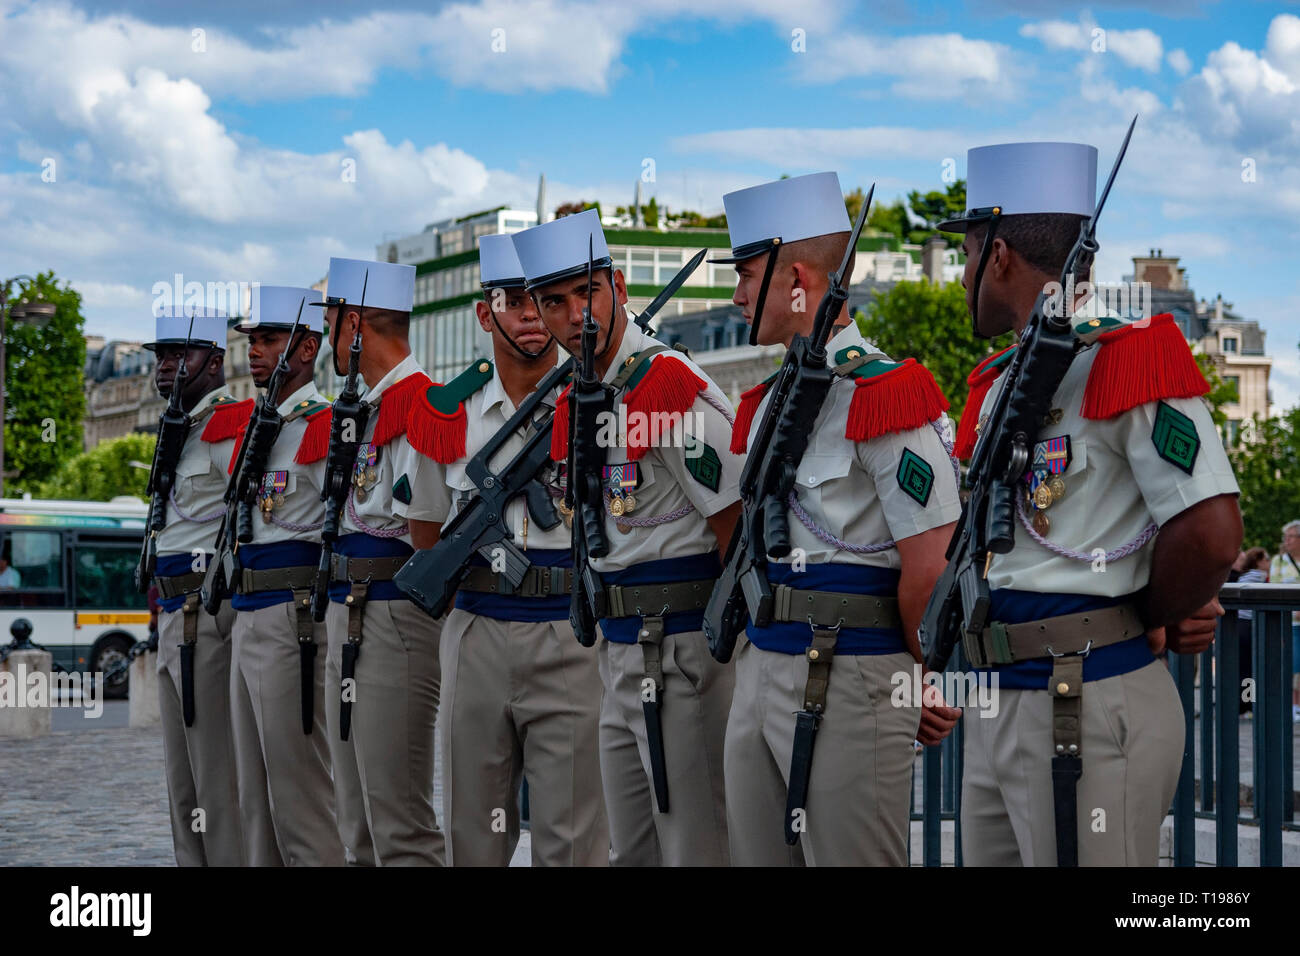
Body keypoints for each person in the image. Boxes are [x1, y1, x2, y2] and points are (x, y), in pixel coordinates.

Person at [942, 140, 1242, 866]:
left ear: (1001, 253)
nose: (961, 274)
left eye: (968, 250)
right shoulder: (999, 380)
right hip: (998, 694)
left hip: (1085, 696)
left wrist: (1146, 611)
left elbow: (1209, 532)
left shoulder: (1127, 355)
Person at [714, 171, 962, 865]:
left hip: (853, 673)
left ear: (795, 277)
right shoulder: (765, 403)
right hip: (763, 663)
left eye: (746, 273)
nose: (735, 295)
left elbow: (929, 564)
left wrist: (923, 674)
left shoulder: (885, 393)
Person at [514, 208, 740, 866]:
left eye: (587, 293)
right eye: (553, 302)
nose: (573, 315)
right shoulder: (587, 397)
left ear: (617, 286)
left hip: (683, 650)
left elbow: (736, 526)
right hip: (617, 651)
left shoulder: (669, 389)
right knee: (632, 853)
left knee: (698, 845)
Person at [403, 234, 608, 866]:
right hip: (478, 627)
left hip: (570, 631)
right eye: (512, 299)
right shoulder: (447, 410)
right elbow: (426, 531)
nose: (529, 315)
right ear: (483, 311)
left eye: (541, 301)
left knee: (573, 840)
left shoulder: (599, 400)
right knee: (475, 832)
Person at [317, 257, 447, 866]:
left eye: (332, 322)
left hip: (395, 612)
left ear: (356, 326)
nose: (327, 339)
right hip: (352, 609)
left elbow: (425, 537)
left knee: (398, 819)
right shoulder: (364, 408)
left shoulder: (419, 406)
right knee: (357, 818)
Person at [145, 306, 273, 866]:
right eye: (162, 357)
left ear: (215, 363)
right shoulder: (178, 430)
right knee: (183, 785)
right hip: (172, 614)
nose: (168, 367)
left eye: (182, 356)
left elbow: (251, 520)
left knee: (218, 778)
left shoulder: (231, 423)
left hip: (207, 612)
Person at [224, 285, 345, 866]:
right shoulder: (258, 427)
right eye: (253, 341)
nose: (254, 352)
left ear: (306, 348)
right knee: (255, 802)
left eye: (269, 340)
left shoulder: (322, 425)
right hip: (247, 614)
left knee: (300, 798)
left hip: (293, 619)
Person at [1268, 521, 1300, 722]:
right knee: (1293, 663)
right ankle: (1294, 705)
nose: (1286, 541)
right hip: (1289, 623)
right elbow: (1274, 589)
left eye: (1290, 537)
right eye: (1285, 537)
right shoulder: (1279, 561)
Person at [1235, 546, 1269, 715]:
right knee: (1252, 667)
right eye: (1266, 560)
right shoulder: (1261, 578)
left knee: (1244, 667)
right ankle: (1249, 704)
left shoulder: (1243, 578)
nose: (1269, 563)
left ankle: (1244, 703)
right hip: (1252, 625)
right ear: (1258, 562)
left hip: (1240, 626)